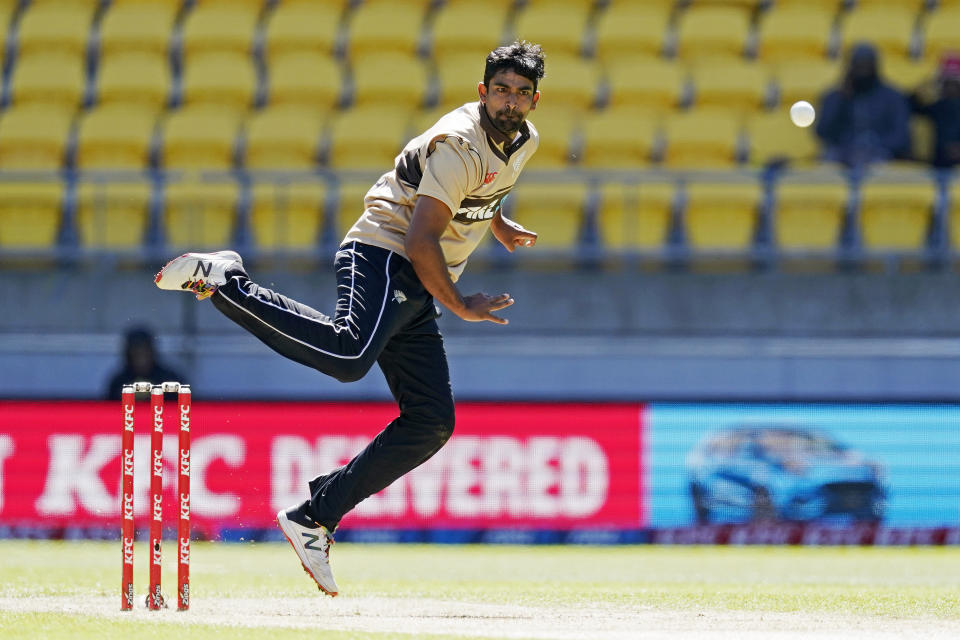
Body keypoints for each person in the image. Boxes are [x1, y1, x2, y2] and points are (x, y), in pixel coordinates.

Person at [154, 42, 544, 596]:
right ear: (482, 92)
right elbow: (421, 236)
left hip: (417, 277)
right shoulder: (458, 142)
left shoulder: (524, 140)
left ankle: (314, 515)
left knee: (432, 420)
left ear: (534, 100)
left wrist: (498, 223)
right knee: (346, 355)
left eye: (521, 93)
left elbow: (482, 188)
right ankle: (224, 281)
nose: (510, 101)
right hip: (387, 252)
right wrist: (460, 305)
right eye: (500, 90)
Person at [815, 42, 912, 168]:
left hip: (879, 155)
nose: (863, 70)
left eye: (867, 65)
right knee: (826, 168)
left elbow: (901, 137)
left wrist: (874, 145)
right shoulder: (834, 96)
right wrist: (842, 101)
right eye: (858, 65)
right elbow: (822, 132)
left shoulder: (893, 97)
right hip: (840, 155)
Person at [909, 51, 960, 169]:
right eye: (947, 84)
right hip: (937, 160)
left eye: (954, 85)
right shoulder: (938, 107)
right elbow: (913, 107)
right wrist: (925, 85)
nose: (950, 89)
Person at [104, 326, 184, 400]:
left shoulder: (169, 379)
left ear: (152, 352)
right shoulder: (119, 382)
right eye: (136, 352)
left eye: (144, 351)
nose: (140, 357)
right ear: (128, 354)